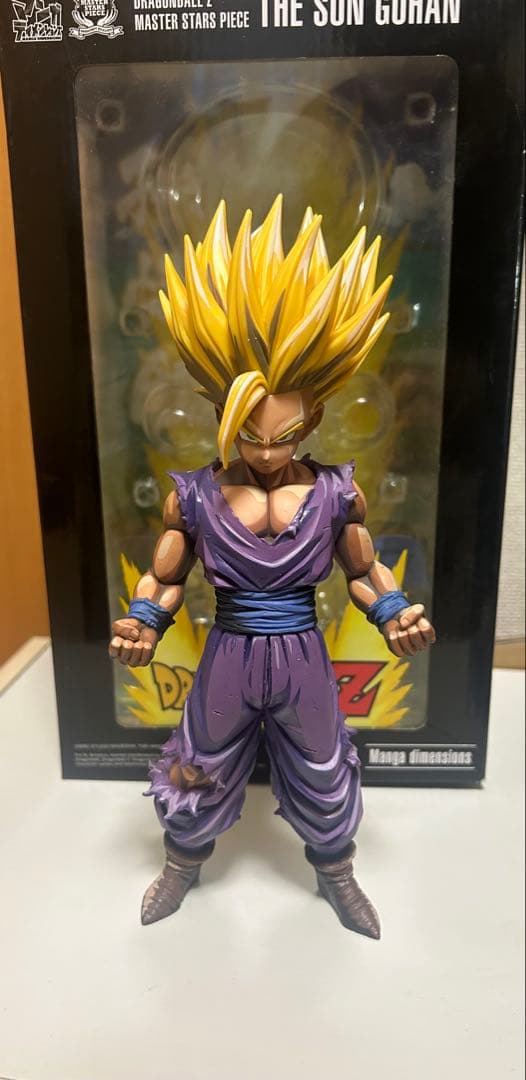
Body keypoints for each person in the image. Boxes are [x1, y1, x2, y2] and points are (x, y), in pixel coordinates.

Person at [109, 197, 435, 937]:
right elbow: (165, 577)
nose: (263, 451)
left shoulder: (335, 491)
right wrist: (143, 623)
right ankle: (181, 866)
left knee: (324, 769)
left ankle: (338, 876)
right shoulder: (195, 495)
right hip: (228, 651)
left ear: (311, 419)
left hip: (303, 655)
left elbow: (363, 569)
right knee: (197, 763)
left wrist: (394, 614)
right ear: (220, 415)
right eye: (249, 435)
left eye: (281, 435)